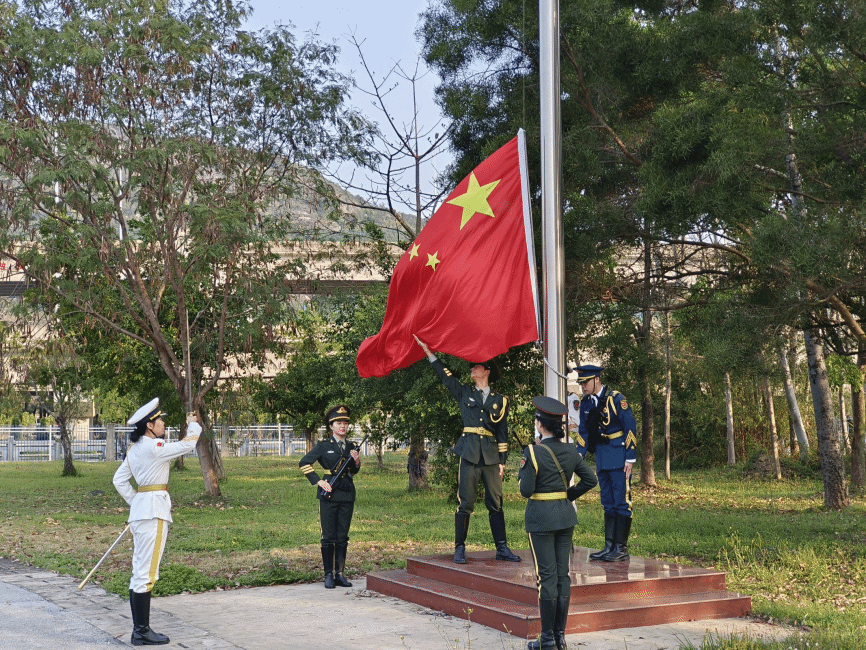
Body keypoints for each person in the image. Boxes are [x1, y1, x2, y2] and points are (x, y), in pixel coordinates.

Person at [414, 336, 521, 564]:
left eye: (476, 366)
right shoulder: (465, 393)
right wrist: (429, 353)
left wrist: (502, 460)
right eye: (472, 366)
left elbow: (502, 432)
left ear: (487, 371)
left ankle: (502, 548)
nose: (472, 368)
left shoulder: (500, 401)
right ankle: (460, 548)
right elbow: (446, 377)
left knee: (496, 502)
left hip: (491, 456)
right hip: (470, 453)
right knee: (465, 502)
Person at [112, 398, 201, 646]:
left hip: (142, 510)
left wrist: (136, 501)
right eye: (159, 420)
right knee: (146, 573)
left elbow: (119, 480)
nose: (162, 423)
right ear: (149, 426)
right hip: (153, 512)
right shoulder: (154, 446)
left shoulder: (134, 450)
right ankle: (141, 631)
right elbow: (187, 445)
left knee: (139, 570)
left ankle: (140, 630)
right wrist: (193, 425)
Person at [519, 396, 597, 650]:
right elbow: (590, 480)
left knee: (546, 578)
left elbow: (525, 490)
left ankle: (547, 640)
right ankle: (559, 638)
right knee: (562, 576)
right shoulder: (570, 451)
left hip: (541, 519)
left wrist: (523, 471)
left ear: (540, 425)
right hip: (565, 517)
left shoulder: (533, 452)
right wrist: (568, 496)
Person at [573, 365, 638, 562]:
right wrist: (578, 455)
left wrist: (630, 457)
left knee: (621, 502)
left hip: (619, 456)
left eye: (586, 382)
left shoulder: (615, 399)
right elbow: (583, 432)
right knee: (607, 502)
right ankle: (609, 546)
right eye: (581, 383)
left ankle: (621, 548)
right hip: (602, 457)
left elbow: (630, 427)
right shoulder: (586, 403)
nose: (583, 386)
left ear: (597, 380)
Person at [299, 405, 361, 589]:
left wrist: (357, 462)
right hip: (329, 494)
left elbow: (353, 471)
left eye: (345, 423)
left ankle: (339, 574)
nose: (342, 426)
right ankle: (328, 575)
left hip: (347, 494)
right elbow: (304, 462)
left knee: (342, 536)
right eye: (338, 423)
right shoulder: (324, 446)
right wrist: (318, 481)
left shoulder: (351, 447)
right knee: (328, 536)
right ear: (331, 426)